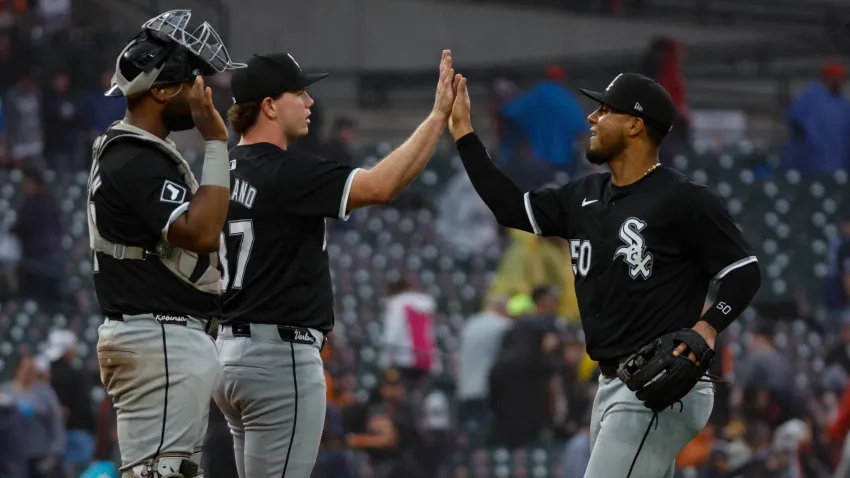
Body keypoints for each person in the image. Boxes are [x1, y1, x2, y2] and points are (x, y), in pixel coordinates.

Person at [447, 71, 761, 477]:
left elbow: (743, 272)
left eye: (605, 109)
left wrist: (708, 327)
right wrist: (464, 134)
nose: (592, 118)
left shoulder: (684, 199)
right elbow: (510, 208)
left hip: (661, 384)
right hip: (613, 383)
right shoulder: (582, 196)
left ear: (635, 125)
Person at [213, 50, 457, 478]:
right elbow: (382, 187)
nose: (310, 103)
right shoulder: (286, 170)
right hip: (278, 356)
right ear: (269, 105)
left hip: (229, 354)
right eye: (300, 93)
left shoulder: (220, 170)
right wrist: (437, 117)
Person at [85, 9, 244, 478]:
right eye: (194, 78)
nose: (202, 90)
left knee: (164, 471)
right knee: (162, 473)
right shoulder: (133, 156)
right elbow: (200, 232)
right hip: (159, 338)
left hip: (161, 338)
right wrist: (216, 141)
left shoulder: (135, 151)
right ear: (161, 89)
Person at [0, 355, 65, 478]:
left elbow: (56, 421)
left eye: (32, 370)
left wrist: (55, 451)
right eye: (26, 369)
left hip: (39, 453)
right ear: (17, 369)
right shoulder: (4, 391)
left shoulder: (45, 392)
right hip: (11, 456)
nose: (29, 373)